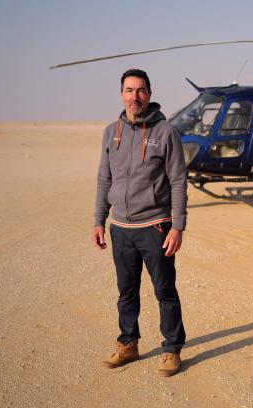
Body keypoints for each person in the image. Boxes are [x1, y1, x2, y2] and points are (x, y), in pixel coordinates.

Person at [92, 69, 187, 377]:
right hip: (120, 228)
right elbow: (104, 179)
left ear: (150, 93)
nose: (135, 96)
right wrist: (98, 221)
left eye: (141, 90)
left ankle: (172, 349)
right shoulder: (111, 132)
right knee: (126, 291)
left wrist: (178, 225)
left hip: (155, 226)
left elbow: (178, 181)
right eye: (129, 90)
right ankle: (128, 343)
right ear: (122, 94)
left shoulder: (166, 132)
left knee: (165, 291)